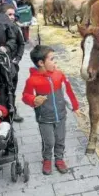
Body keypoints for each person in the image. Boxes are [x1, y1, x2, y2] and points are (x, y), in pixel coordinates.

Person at [22, 45, 80, 175]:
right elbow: (25, 96)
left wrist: (74, 107)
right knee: (49, 141)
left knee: (60, 139)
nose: (55, 62)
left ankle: (59, 159)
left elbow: (67, 92)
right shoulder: (32, 81)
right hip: (44, 118)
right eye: (52, 59)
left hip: (60, 115)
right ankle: (47, 159)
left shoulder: (59, 75)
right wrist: (33, 100)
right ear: (41, 63)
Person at [0, 3, 25, 122]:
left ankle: (13, 111)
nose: (13, 17)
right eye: (9, 14)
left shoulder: (15, 27)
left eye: (13, 14)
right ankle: (2, 113)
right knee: (1, 91)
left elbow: (21, 44)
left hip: (13, 65)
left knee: (12, 90)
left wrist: (18, 58)